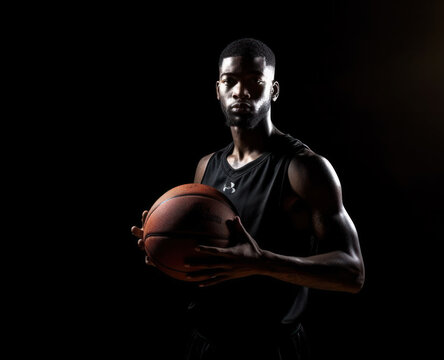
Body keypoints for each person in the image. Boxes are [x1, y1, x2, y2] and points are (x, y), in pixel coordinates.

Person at [131, 38, 365, 360]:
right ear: (218, 89)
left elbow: (353, 273)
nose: (241, 91)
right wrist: (164, 248)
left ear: (274, 90)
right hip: (205, 344)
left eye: (255, 81)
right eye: (231, 81)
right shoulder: (207, 165)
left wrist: (261, 262)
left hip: (271, 348)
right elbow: (206, 260)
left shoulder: (303, 168)